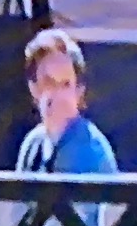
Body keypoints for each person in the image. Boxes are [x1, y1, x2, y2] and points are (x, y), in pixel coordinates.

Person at [10, 27, 121, 181]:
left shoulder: (90, 147)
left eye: (65, 84)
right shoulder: (32, 143)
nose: (58, 94)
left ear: (79, 91)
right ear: (33, 88)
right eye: (49, 83)